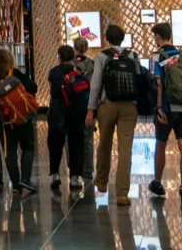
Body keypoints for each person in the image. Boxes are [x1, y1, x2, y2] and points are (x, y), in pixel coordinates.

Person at [87, 24, 139, 206]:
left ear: (107, 38)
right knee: (125, 150)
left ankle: (101, 183)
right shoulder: (132, 56)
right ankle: (122, 194)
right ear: (123, 39)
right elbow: (139, 79)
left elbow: (95, 84)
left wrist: (90, 109)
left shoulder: (101, 57)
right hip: (129, 106)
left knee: (104, 144)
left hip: (107, 105)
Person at [150, 22, 182, 203]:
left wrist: (159, 107)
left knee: (161, 144)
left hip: (167, 108)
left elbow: (158, 83)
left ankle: (158, 182)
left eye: (155, 36)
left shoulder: (157, 57)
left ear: (159, 36)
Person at [0, 48, 38, 194]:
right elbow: (33, 87)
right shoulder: (15, 74)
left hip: (2, 118)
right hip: (21, 116)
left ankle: (15, 185)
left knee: (9, 150)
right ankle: (26, 179)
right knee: (28, 146)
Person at [47, 45, 86, 190]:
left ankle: (55, 174)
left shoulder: (53, 72)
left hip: (57, 110)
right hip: (75, 110)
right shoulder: (77, 72)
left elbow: (52, 90)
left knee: (55, 142)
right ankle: (75, 177)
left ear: (59, 57)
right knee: (76, 142)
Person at [73, 36, 97, 180]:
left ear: (74, 48)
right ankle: (88, 169)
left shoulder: (70, 64)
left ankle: (74, 167)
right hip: (88, 104)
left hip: (73, 105)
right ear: (87, 48)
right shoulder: (92, 64)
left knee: (73, 138)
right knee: (88, 138)